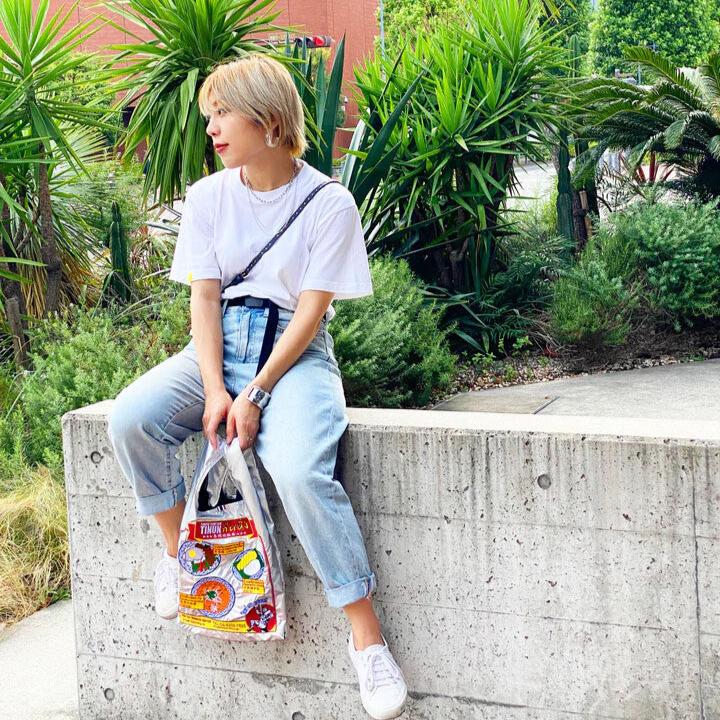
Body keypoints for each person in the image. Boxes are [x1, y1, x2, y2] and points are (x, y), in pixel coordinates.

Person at [107, 53, 408, 719]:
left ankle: (367, 640)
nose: (212, 128)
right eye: (208, 115)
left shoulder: (329, 203)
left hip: (292, 357)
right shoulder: (209, 196)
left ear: (269, 120)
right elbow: (205, 300)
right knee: (132, 417)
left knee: (301, 473)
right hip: (216, 348)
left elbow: (309, 311)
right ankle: (182, 557)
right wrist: (216, 389)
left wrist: (257, 392)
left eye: (223, 113)